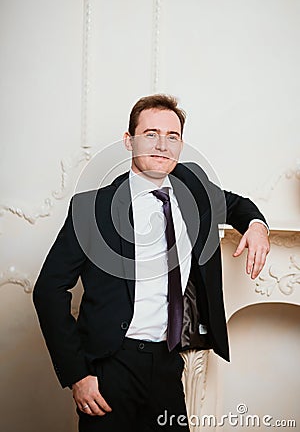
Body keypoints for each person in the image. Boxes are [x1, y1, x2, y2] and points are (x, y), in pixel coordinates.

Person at [33, 94, 270, 431]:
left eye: (172, 137)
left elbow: (237, 204)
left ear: (181, 144)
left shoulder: (193, 188)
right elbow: (48, 290)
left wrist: (256, 227)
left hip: (168, 364)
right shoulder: (92, 209)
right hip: (109, 368)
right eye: (151, 134)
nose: (162, 145)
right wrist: (78, 375)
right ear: (129, 141)